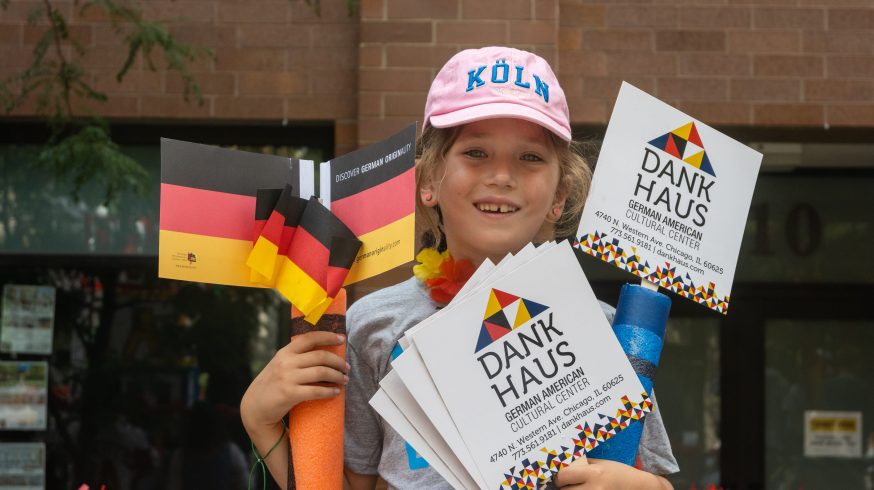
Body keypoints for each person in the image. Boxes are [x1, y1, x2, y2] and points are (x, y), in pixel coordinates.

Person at [240, 46, 678, 489]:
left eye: (530, 157)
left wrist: (650, 487)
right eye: (475, 153)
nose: (502, 175)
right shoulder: (372, 325)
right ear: (428, 180)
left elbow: (651, 475)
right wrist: (261, 423)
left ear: (560, 194)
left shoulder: (611, 333)